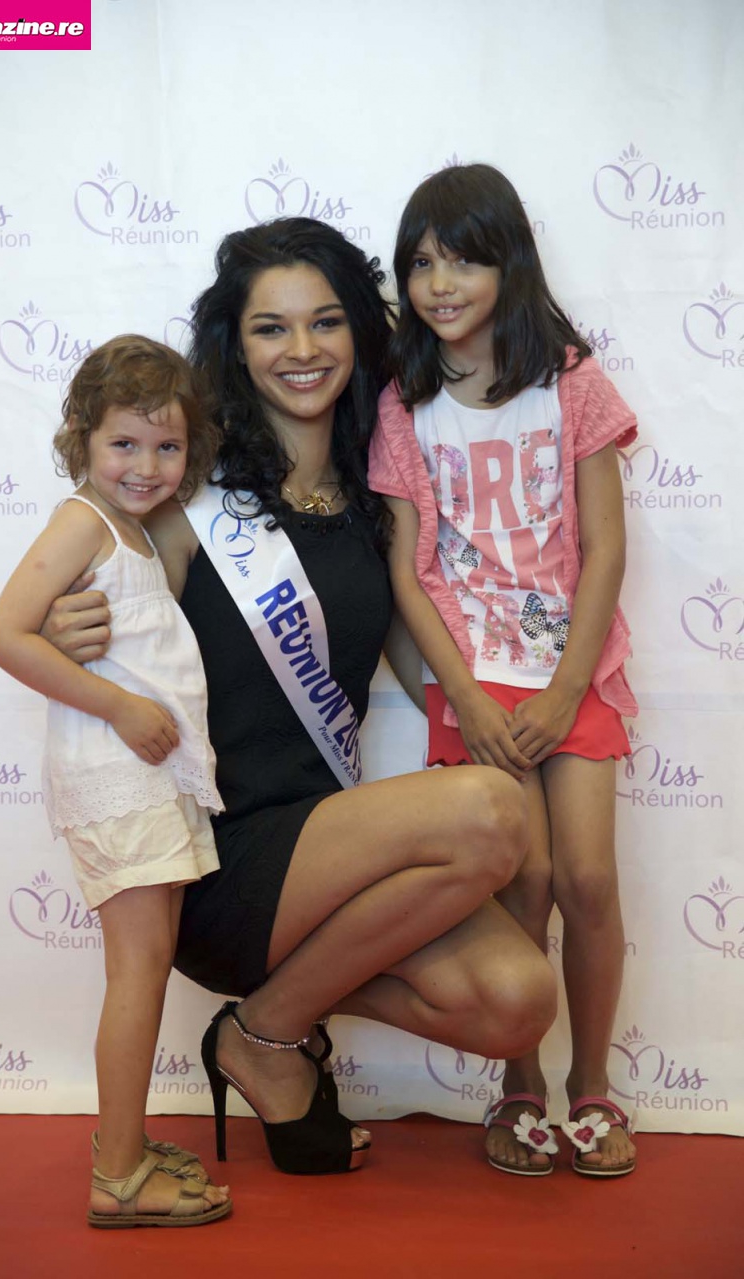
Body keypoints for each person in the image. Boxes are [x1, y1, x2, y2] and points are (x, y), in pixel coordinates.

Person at [42, 218, 557, 1178]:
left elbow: (420, 664)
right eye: (270, 327)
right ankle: (273, 1036)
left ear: (357, 332)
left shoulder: (375, 501)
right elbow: (97, 588)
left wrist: (531, 705)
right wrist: (71, 623)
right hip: (220, 859)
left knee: (517, 999)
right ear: (235, 346)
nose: (302, 349)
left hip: (327, 853)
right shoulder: (189, 501)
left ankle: (262, 1030)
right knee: (488, 815)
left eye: (324, 322)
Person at [369, 165, 638, 1177]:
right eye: (420, 263)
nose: (439, 284)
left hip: (572, 671)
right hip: (473, 680)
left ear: (508, 264)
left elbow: (604, 549)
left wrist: (567, 687)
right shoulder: (403, 401)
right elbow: (405, 570)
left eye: (464, 260)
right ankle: (518, 1086)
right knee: (519, 879)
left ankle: (593, 1087)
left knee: (587, 877)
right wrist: (464, 698)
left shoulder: (570, 381)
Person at [0, 336, 232, 1226]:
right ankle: (118, 1176)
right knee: (136, 971)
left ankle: (124, 1146)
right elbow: (6, 634)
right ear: (83, 436)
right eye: (123, 443)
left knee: (147, 967)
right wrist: (119, 706)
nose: (145, 465)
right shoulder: (83, 521)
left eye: (167, 447)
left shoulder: (135, 532)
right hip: (116, 775)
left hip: (150, 778)